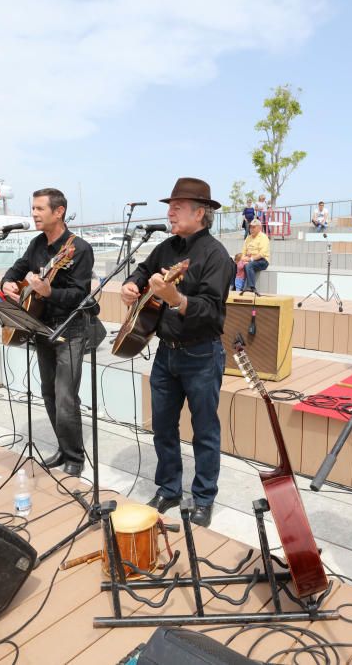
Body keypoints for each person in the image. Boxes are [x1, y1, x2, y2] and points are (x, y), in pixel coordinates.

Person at [121, 177, 234, 528]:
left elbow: (214, 313)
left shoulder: (216, 256)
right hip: (166, 353)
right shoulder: (166, 247)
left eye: (178, 206)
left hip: (201, 355)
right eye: (170, 206)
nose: (169, 212)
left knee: (205, 430)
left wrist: (178, 300)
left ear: (200, 213)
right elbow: (143, 270)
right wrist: (132, 284)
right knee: (164, 428)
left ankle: (203, 497)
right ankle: (169, 488)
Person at [0, 188, 94, 477]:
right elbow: (15, 270)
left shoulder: (79, 249)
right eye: (34, 208)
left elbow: (81, 295)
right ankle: (63, 448)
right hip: (40, 326)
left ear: (59, 211)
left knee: (66, 396)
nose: (34, 213)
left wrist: (49, 292)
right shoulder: (37, 244)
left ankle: (75, 457)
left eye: (40, 209)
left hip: (70, 328)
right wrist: (8, 284)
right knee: (48, 393)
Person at [240, 218, 270, 293]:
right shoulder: (248, 238)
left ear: (259, 228)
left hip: (262, 260)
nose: (251, 229)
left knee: (249, 265)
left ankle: (251, 287)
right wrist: (243, 259)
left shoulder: (263, 237)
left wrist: (250, 259)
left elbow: (262, 253)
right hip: (249, 259)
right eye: (250, 227)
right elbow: (243, 252)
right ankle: (234, 286)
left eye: (254, 227)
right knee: (234, 264)